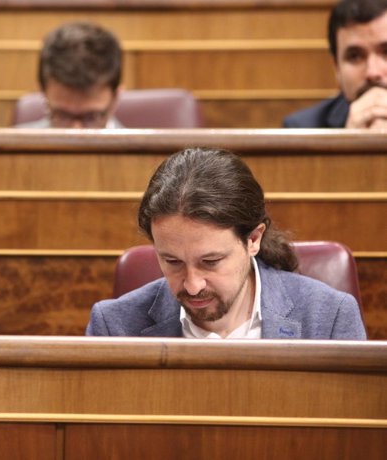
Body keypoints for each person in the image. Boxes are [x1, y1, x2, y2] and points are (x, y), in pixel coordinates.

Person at [86, 147, 366, 339]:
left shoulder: (330, 318)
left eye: (211, 262)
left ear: (253, 239)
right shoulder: (114, 325)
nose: (192, 285)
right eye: (172, 262)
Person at [284, 0, 387, 129]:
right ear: (336, 68)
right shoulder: (301, 128)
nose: (372, 72)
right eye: (354, 56)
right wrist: (350, 143)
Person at [16, 21, 124, 129]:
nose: (76, 130)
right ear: (44, 92)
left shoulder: (138, 146)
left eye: (91, 117)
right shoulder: (13, 144)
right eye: (62, 115)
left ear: (115, 99)